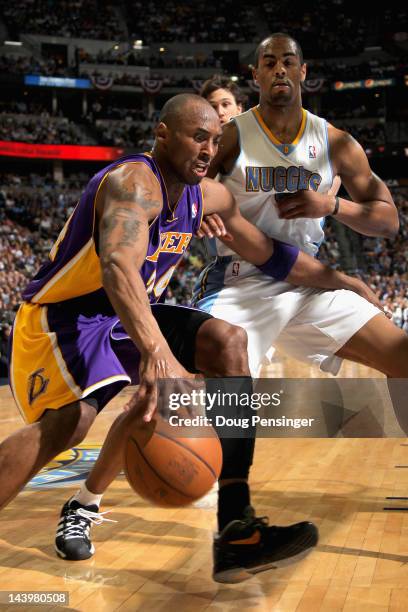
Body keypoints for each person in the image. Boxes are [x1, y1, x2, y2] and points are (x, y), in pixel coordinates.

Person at [3, 94, 382, 583]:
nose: (208, 149)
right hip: (67, 316)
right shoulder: (134, 184)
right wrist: (158, 354)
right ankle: (82, 503)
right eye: (197, 136)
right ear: (163, 134)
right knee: (71, 424)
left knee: (226, 341)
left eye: (215, 140)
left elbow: (269, 253)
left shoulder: (207, 196)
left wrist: (341, 279)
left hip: (126, 315)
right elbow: (119, 267)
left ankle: (237, 530)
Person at [192, 33, 408, 383]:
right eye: (270, 63)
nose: (280, 70)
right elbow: (187, 187)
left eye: (288, 62)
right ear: (255, 75)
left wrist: (331, 204)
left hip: (306, 283)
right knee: (201, 402)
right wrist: (198, 207)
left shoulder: (335, 141)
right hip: (239, 280)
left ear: (303, 71)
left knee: (402, 357)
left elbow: (388, 220)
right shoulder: (232, 136)